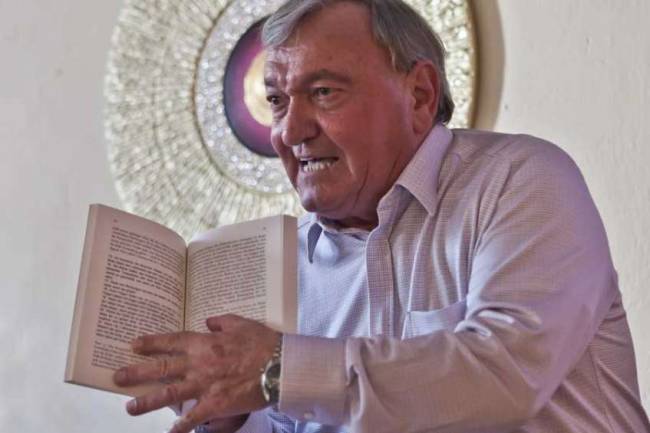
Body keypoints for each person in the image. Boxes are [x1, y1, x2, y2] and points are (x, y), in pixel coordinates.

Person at [113, 0, 650, 432]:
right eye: (277, 101)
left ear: (419, 95)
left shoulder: (519, 181)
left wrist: (279, 368)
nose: (291, 131)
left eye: (323, 92)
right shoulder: (286, 266)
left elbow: (503, 374)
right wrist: (230, 416)